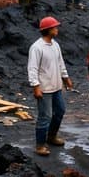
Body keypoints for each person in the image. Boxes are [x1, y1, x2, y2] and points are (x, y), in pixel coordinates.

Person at [27, 16, 73, 157]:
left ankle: (51, 137)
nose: (57, 29)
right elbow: (32, 69)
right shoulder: (36, 48)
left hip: (56, 87)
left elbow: (60, 63)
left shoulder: (55, 45)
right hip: (44, 89)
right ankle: (40, 145)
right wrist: (36, 86)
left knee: (60, 111)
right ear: (48, 30)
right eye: (54, 27)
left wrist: (66, 78)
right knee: (45, 116)